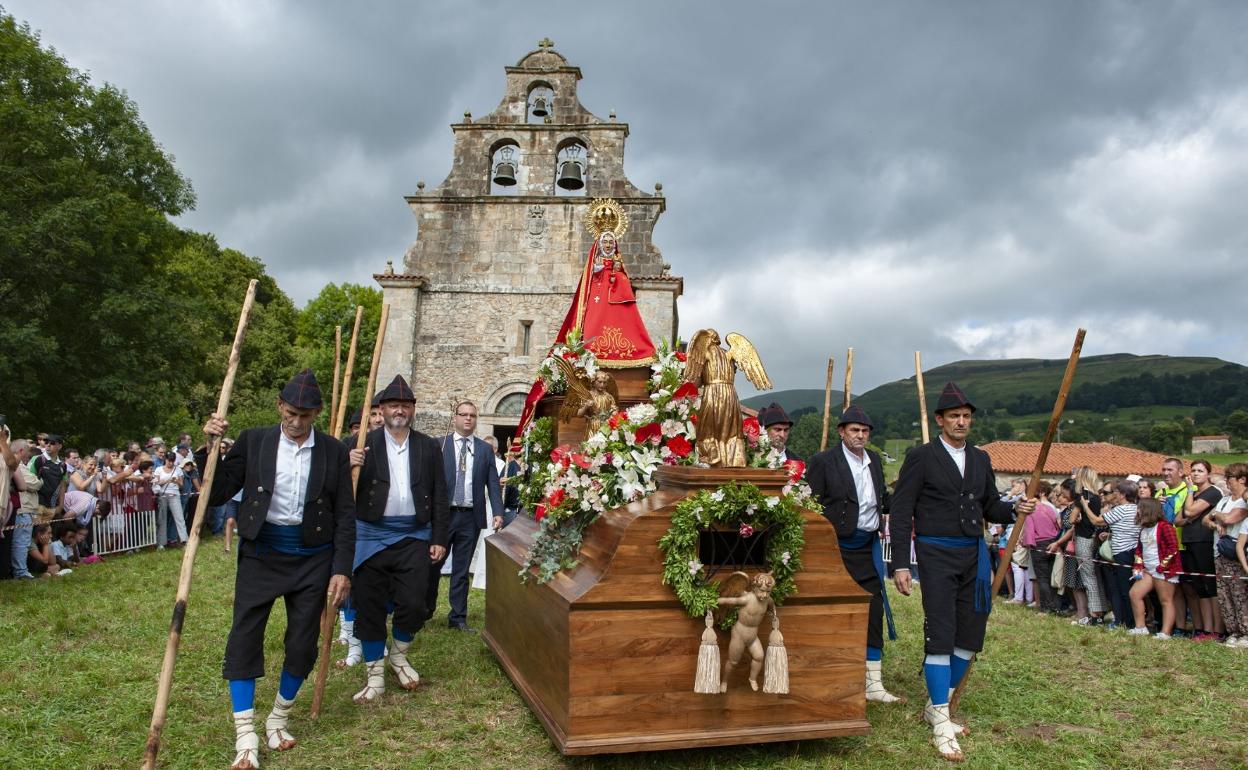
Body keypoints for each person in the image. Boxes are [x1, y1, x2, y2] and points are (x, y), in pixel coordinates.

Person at [202, 369, 355, 770]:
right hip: (261, 553)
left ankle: (279, 717)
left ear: (317, 413)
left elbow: (345, 514)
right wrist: (211, 447)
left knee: (303, 643)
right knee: (244, 636)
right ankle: (246, 732)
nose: (296, 422)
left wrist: (342, 569)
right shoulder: (255, 441)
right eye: (290, 413)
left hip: (313, 557)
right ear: (279, 407)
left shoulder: (334, 451)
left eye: (305, 415)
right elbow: (216, 491)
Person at [889, 382, 1035, 761]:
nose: (961, 422)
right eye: (954, 416)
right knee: (941, 633)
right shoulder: (921, 457)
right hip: (935, 554)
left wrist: (1017, 509)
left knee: (969, 636)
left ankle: (938, 705)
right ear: (940, 420)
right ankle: (940, 720)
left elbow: (990, 505)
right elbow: (902, 511)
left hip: (974, 554)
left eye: (966, 416)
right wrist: (901, 563)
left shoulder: (982, 459)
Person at [347, 375, 448, 703]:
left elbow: (440, 494)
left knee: (416, 603)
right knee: (369, 606)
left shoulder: (429, 446)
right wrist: (348, 465)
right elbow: (339, 488)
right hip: (370, 536)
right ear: (382, 409)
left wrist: (439, 536)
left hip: (414, 536)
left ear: (413, 410)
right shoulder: (361, 444)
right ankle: (375, 675)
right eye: (393, 405)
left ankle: (399, 655)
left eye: (405, 405)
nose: (399, 410)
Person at [515, 203, 657, 436]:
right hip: (598, 304)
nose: (609, 245)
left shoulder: (620, 269)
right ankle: (594, 346)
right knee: (593, 325)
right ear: (599, 245)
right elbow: (587, 287)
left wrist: (618, 274)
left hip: (618, 307)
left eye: (612, 242)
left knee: (628, 327)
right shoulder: (594, 268)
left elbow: (625, 289)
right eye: (605, 242)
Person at [806, 405, 900, 704]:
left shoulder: (873, 459)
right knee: (833, 611)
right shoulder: (823, 461)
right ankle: (828, 673)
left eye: (865, 431)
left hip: (867, 547)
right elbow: (810, 503)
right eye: (855, 430)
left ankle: (872, 683)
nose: (861, 435)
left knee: (872, 610)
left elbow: (880, 499)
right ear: (841, 432)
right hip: (835, 548)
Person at [426, 400, 502, 632]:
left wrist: (498, 512)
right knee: (432, 566)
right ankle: (424, 610)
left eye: (472, 415)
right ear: (455, 417)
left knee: (461, 570)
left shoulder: (484, 449)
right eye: (464, 414)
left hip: (470, 518)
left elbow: (493, 484)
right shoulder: (438, 446)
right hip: (442, 517)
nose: (468, 418)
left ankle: (457, 617)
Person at [1083, 479, 1141, 630]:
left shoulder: (1121, 509)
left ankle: (1128, 623)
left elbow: (1096, 520)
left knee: (1124, 589)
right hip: (1132, 550)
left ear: (1122, 494)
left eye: (1116, 492)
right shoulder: (1136, 508)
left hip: (1122, 552)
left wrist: (1085, 506)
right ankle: (1128, 621)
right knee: (1127, 588)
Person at [1175, 459, 1222, 640]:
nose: (1194, 474)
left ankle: (1217, 630)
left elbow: (1191, 511)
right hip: (1190, 541)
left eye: (1199, 471)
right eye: (1193, 470)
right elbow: (1179, 519)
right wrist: (1189, 514)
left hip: (1205, 541)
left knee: (1211, 586)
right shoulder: (1193, 493)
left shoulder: (1213, 492)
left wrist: (1188, 495)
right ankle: (1205, 629)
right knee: (1200, 587)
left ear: (1208, 474)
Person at [1128, 498, 1181, 638]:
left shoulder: (1165, 527)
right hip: (1148, 570)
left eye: (1140, 508)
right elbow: (1139, 549)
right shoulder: (1144, 529)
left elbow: (1173, 548)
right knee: (1135, 594)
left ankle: (1165, 633)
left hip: (1163, 570)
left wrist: (1162, 566)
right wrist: (1138, 565)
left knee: (1165, 600)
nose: (1137, 511)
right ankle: (1140, 628)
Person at [1212, 463, 1248, 647]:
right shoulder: (1225, 500)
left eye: (1230, 478)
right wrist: (1216, 523)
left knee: (1239, 593)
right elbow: (1207, 520)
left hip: (1235, 554)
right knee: (1224, 594)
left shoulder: (1244, 500)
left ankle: (1245, 632)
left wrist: (1217, 516)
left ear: (1242, 479)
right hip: (1219, 552)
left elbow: (1229, 519)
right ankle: (1232, 631)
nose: (1227, 481)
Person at [1069, 467, 1108, 626]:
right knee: (1096, 577)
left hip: (1083, 538)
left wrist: (1077, 517)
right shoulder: (1098, 497)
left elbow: (1071, 519)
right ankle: (1101, 611)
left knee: (1088, 577)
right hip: (1094, 538)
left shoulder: (1082, 498)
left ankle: (1094, 614)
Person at [1021, 481, 1061, 612]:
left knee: (1042, 578)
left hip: (1039, 544)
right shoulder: (1049, 508)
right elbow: (1057, 525)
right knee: (1052, 576)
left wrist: (1027, 544)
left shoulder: (1030, 510)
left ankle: (1046, 607)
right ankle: (1055, 605)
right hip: (1053, 542)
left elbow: (1029, 530)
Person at [9, 439, 43, 578]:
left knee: (22, 542)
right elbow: (35, 483)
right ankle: (20, 572)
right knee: (21, 542)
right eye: (28, 451)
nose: (29, 455)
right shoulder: (18, 466)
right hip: (23, 509)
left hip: (26, 508)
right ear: (21, 451)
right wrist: (38, 480)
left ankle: (20, 570)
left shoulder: (21, 465)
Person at [152, 454, 189, 548]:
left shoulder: (178, 470)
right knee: (162, 519)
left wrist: (176, 481)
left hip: (174, 495)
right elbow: (156, 483)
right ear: (166, 460)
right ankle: (161, 543)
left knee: (180, 518)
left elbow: (181, 485)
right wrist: (167, 480)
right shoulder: (158, 469)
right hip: (162, 495)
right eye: (169, 460)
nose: (171, 463)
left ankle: (184, 540)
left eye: (173, 461)